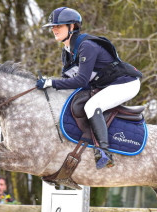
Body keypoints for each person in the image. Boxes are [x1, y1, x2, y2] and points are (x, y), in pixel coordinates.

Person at [37, 7, 142, 169]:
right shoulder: (67, 52)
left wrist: (51, 83)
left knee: (92, 105)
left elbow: (80, 80)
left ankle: (104, 153)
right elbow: (69, 81)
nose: (53, 29)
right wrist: (48, 85)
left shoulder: (87, 46)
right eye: (52, 26)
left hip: (126, 83)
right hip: (107, 84)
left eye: (58, 26)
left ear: (72, 27)